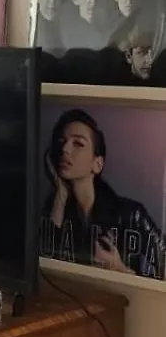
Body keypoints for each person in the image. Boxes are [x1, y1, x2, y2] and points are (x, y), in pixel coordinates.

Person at [42, 109, 163, 279]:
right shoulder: (56, 208)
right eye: (62, 142)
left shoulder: (132, 215)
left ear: (97, 164)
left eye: (78, 144)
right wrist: (60, 194)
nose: (65, 149)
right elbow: (46, 264)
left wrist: (120, 270)